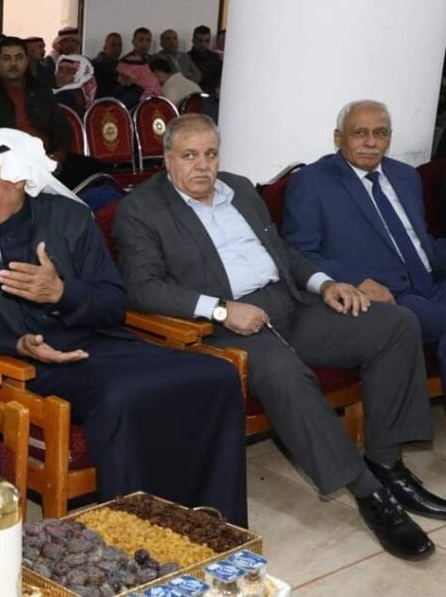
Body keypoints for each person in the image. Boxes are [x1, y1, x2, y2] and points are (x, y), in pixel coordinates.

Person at [114, 113, 442, 559]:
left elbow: (283, 253)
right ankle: (370, 494)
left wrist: (325, 284)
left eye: (210, 154)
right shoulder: (142, 209)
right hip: (226, 325)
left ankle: (386, 463)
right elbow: (142, 287)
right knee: (286, 374)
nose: (202, 165)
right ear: (167, 158)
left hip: (289, 304)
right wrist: (221, 309)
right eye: (189, 155)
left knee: (395, 324)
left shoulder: (239, 189)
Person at [0, 128, 247, 524]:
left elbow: (112, 303)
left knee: (217, 374)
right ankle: (136, 533)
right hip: (31, 365)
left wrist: (61, 293)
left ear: (18, 177)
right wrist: (18, 344)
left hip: (102, 342)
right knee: (120, 398)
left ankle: (213, 524)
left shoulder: (70, 217)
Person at [284, 100, 446, 396]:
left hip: (434, 283)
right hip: (390, 296)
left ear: (389, 138)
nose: (371, 142)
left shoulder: (406, 176)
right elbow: (299, 253)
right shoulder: (312, 183)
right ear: (338, 137)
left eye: (380, 133)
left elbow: (420, 242)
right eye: (360, 133)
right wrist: (353, 281)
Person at [0, 37, 111, 189]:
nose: (13, 64)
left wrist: (58, 156)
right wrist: (32, 158)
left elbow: (63, 128)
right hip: (11, 162)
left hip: (48, 157)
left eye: (18, 57)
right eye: (7, 58)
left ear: (26, 60)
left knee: (96, 171)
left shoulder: (39, 89)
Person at [189, 25, 223, 95]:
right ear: (193, 41)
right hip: (194, 94)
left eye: (207, 41)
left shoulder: (215, 57)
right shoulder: (186, 58)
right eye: (200, 41)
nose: (203, 44)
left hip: (213, 94)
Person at [91, 32, 123, 98]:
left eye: (120, 45)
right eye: (113, 45)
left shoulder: (122, 66)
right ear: (105, 47)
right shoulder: (94, 66)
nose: (117, 48)